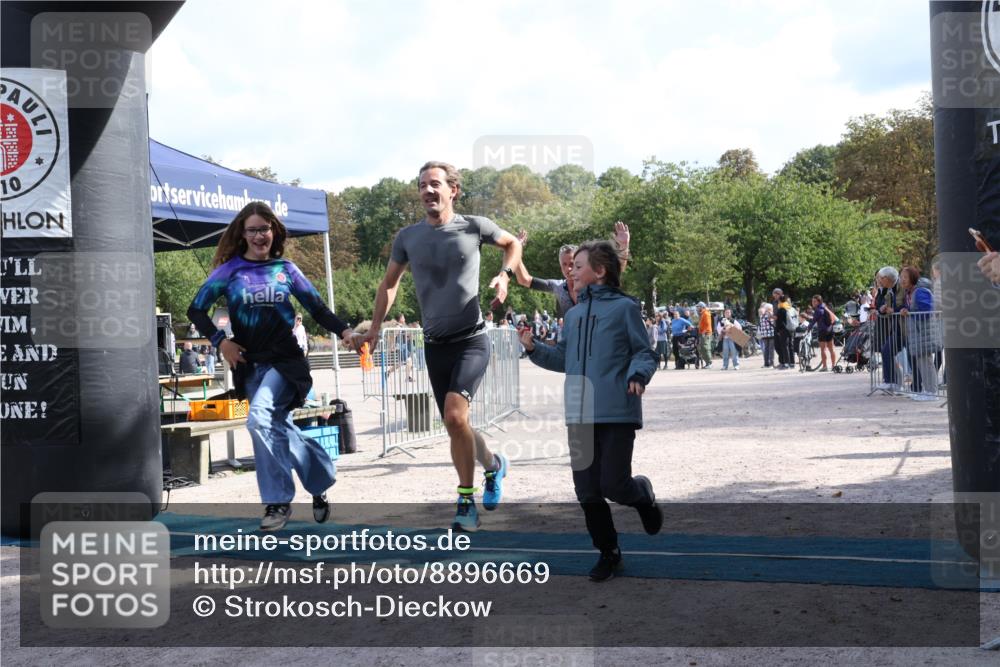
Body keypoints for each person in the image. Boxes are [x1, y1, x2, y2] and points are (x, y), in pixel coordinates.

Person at [351, 161, 522, 532]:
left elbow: (512, 243)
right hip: (435, 345)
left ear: (452, 190)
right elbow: (389, 284)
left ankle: (465, 502)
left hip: (471, 341)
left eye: (435, 184)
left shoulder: (474, 226)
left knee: (455, 416)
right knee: (455, 423)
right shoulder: (408, 237)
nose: (428, 191)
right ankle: (493, 466)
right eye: (422, 186)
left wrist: (504, 276)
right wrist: (376, 327)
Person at [187, 201, 355, 531]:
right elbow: (196, 310)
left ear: (274, 232)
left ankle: (277, 502)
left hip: (286, 362)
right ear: (242, 234)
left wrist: (347, 332)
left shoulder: (286, 270)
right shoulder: (230, 271)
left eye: (265, 229)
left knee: (259, 417)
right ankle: (320, 480)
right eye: (253, 230)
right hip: (250, 365)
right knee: (277, 427)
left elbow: (318, 309)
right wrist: (222, 341)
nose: (260, 235)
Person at [519, 240, 661, 582]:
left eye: (578, 265)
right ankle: (608, 552)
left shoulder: (626, 309)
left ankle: (642, 495)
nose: (571, 269)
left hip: (616, 410)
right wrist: (533, 348)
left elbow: (645, 352)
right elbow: (563, 359)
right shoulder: (573, 315)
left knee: (615, 484)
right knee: (587, 491)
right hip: (579, 412)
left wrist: (638, 376)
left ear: (600, 271)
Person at [515, 222, 631, 320]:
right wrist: (515, 251)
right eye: (564, 265)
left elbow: (616, 271)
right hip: (572, 341)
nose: (568, 269)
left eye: (572, 264)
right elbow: (524, 280)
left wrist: (623, 246)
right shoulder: (558, 287)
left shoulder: (590, 283)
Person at [899, 266, 940, 400]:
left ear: (912, 278)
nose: (902, 279)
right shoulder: (909, 293)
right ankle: (928, 391)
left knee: (927, 362)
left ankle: (932, 392)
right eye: (901, 277)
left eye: (905, 277)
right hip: (918, 333)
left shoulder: (920, 291)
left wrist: (909, 311)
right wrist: (907, 309)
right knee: (922, 363)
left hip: (924, 332)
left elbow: (926, 309)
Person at [872, 266, 904, 392]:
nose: (878, 280)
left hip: (898, 327)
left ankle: (898, 384)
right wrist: (882, 309)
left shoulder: (899, 288)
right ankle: (892, 382)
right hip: (889, 326)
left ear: (886, 278)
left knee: (909, 358)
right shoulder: (884, 289)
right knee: (887, 352)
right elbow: (880, 304)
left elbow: (902, 305)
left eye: (880, 278)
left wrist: (892, 310)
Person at [807, 295, 836, 372]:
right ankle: (833, 366)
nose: (813, 303)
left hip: (822, 331)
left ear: (819, 302)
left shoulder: (818, 310)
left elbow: (813, 321)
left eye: (814, 301)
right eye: (812, 301)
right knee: (831, 349)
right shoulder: (826, 308)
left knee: (823, 350)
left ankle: (825, 366)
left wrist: (808, 329)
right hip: (830, 330)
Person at [774, 294, 795, 370]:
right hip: (791, 328)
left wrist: (778, 330)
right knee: (790, 346)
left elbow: (779, 322)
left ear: (779, 301)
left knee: (784, 346)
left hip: (783, 329)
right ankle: (792, 363)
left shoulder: (781, 309)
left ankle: (786, 363)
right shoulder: (790, 308)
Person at [696, 302, 714, 369]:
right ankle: (707, 363)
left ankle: (709, 362)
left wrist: (703, 332)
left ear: (702, 307)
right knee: (702, 348)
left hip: (706, 333)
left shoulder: (706, 313)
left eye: (698, 307)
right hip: (703, 333)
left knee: (706, 348)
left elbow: (707, 324)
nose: (697, 308)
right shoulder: (702, 314)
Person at [758, 303, 775, 368]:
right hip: (771, 334)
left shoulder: (761, 316)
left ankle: (766, 364)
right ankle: (770, 364)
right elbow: (773, 323)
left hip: (765, 334)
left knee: (766, 349)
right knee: (770, 350)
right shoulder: (769, 315)